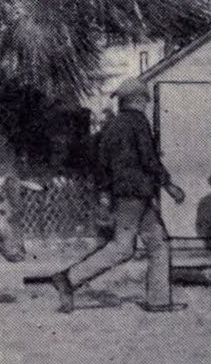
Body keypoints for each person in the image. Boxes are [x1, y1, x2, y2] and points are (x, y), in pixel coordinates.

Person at [49, 78, 187, 314]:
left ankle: (159, 301)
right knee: (123, 248)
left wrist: (105, 191)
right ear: (137, 100)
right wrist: (169, 185)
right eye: (144, 100)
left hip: (123, 194)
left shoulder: (111, 126)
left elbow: (100, 163)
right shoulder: (138, 122)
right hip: (136, 194)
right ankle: (69, 279)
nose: (146, 104)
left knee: (158, 243)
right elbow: (149, 159)